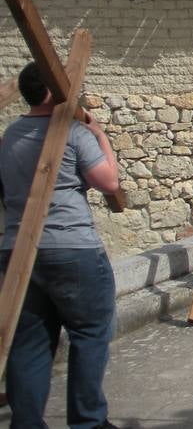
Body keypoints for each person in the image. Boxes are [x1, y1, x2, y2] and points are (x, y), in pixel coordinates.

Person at [0, 62, 122, 429]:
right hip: (72, 248)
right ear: (55, 92)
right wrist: (100, 135)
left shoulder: (10, 135)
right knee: (90, 332)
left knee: (30, 341)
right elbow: (108, 182)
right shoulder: (72, 132)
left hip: (18, 249)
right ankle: (87, 421)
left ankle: (26, 422)